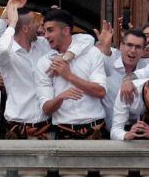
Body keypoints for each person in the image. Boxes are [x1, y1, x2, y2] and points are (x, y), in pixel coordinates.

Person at [0, 0, 93, 140]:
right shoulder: (7, 54)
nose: (39, 27)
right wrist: (10, 18)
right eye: (34, 22)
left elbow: (87, 39)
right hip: (17, 126)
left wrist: (66, 57)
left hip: (45, 126)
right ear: (25, 29)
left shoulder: (43, 44)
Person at [35, 9, 107, 139]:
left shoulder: (92, 53)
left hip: (95, 129)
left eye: (50, 30)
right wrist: (60, 98)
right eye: (45, 31)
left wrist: (69, 76)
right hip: (64, 131)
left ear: (66, 31)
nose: (45, 35)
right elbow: (46, 109)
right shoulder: (44, 63)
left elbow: (101, 92)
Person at [97, 26, 149, 125]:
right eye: (129, 45)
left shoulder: (147, 67)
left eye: (138, 47)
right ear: (121, 46)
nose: (133, 50)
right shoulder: (108, 59)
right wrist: (105, 47)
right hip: (106, 133)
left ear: (144, 51)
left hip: (137, 131)